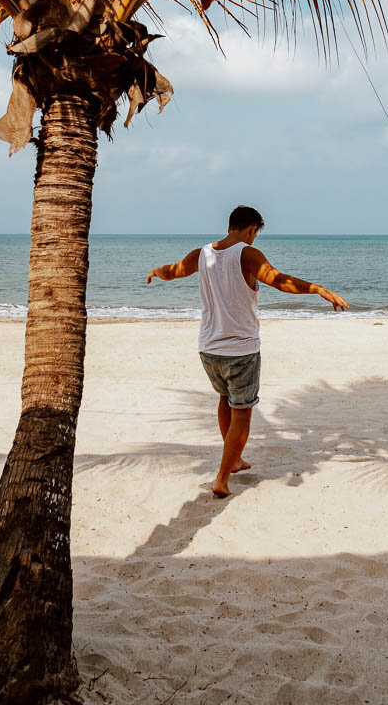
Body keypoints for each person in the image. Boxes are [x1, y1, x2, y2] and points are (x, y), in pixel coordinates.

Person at [147, 205, 349, 497]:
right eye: (255, 234)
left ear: (230, 225)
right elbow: (279, 280)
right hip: (241, 350)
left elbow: (173, 271)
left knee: (225, 398)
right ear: (252, 229)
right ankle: (222, 478)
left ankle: (235, 459)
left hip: (209, 349)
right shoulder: (247, 253)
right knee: (242, 412)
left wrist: (156, 271)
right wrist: (317, 288)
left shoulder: (201, 254)